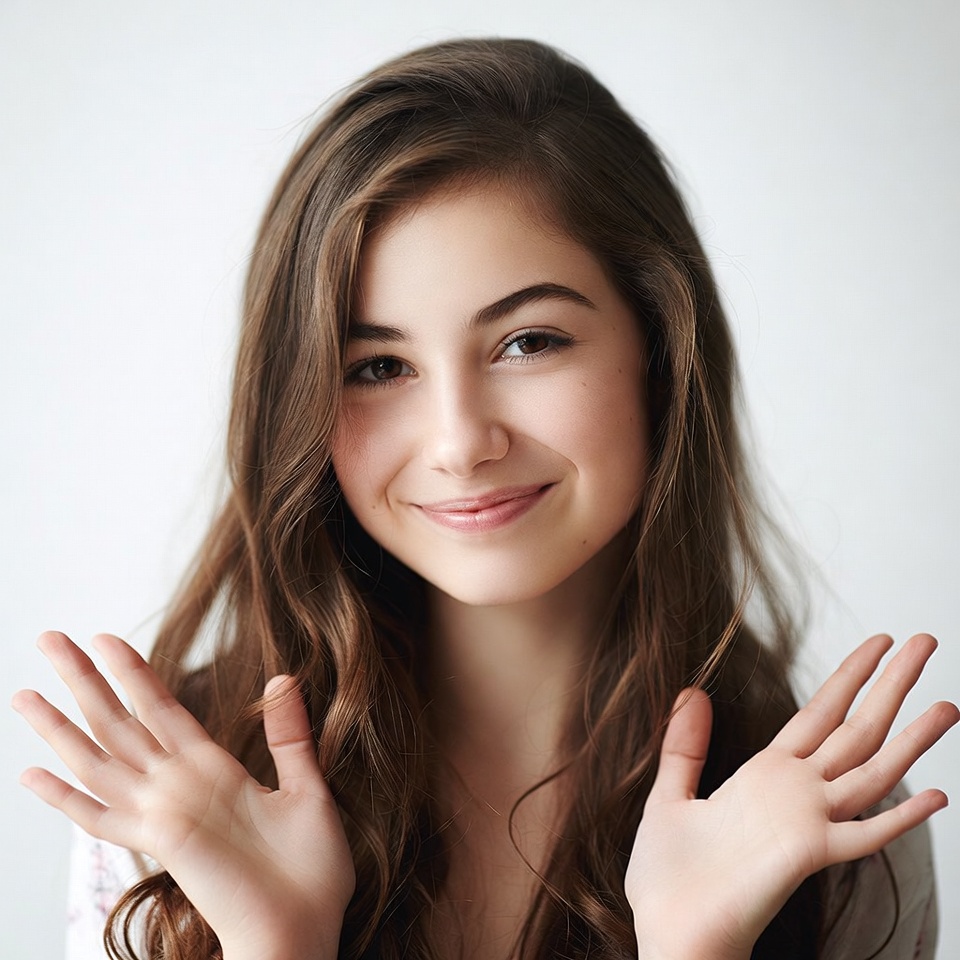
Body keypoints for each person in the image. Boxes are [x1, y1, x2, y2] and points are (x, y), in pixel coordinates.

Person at [12, 37, 958, 960]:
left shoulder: (833, 824)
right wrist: (275, 941)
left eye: (529, 342)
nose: (462, 442)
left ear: (661, 355)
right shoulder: (175, 804)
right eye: (379, 366)